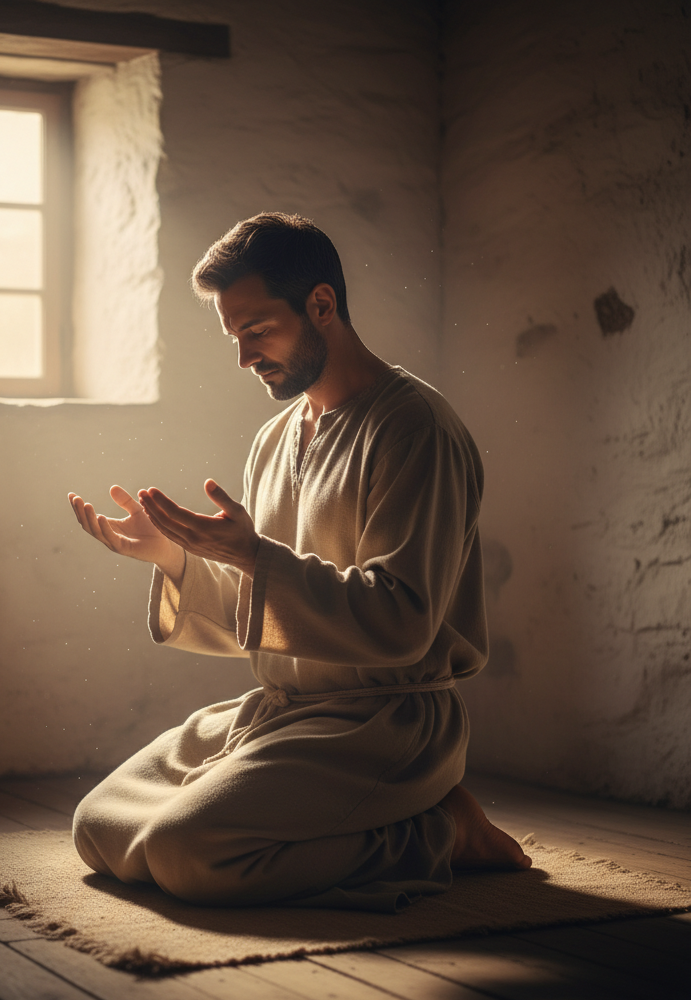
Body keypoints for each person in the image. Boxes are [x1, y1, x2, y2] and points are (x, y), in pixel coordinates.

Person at [67, 212, 530, 911]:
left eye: (257, 330)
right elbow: (268, 613)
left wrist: (255, 556)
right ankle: (393, 815)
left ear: (321, 304)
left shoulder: (414, 428)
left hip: (382, 724)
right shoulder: (274, 438)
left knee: (189, 853)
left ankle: (436, 831)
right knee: (99, 826)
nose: (244, 357)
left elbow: (402, 621)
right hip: (281, 715)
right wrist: (176, 559)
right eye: (234, 336)